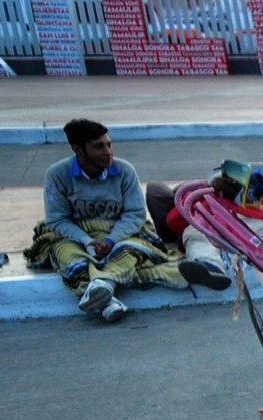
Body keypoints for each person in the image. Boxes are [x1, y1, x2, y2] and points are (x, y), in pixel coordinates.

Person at [30, 120, 195, 324]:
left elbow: (135, 215)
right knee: (67, 256)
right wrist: (86, 241)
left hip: (120, 232)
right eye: (98, 147)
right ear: (77, 149)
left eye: (109, 144)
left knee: (129, 250)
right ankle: (109, 303)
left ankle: (104, 287)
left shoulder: (124, 170)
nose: (108, 152)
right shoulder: (57, 175)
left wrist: (110, 240)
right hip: (77, 235)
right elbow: (57, 220)